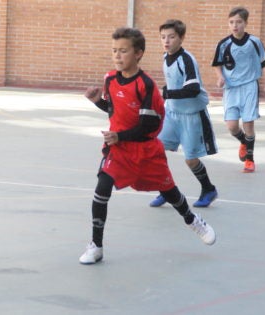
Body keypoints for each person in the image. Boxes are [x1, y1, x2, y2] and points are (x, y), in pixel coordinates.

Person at [79, 27, 216, 265]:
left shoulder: (146, 86)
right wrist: (97, 102)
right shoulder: (110, 79)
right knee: (102, 188)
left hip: (145, 150)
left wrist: (119, 136)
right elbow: (114, 110)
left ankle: (192, 219)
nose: (117, 56)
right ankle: (96, 245)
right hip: (119, 149)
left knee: (169, 192)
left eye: (123, 51)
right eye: (114, 51)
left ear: (138, 53)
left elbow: (147, 125)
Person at [149, 20, 218, 208]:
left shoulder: (186, 60)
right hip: (172, 113)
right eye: (163, 37)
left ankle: (209, 189)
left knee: (191, 160)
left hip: (192, 115)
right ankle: (167, 190)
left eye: (171, 37)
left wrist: (167, 93)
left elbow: (193, 89)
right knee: (155, 149)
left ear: (181, 38)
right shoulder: (165, 57)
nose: (166, 41)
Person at [212, 6, 265, 173]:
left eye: (239, 22)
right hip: (231, 88)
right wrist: (220, 77)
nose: (235, 25)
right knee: (232, 126)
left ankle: (249, 159)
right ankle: (244, 142)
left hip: (249, 86)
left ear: (245, 23)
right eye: (231, 22)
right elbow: (217, 65)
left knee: (248, 122)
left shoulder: (255, 42)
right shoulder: (223, 44)